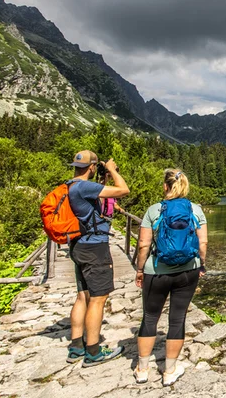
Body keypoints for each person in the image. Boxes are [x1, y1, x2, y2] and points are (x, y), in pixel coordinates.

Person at [134, 169, 208, 385]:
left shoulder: (154, 210)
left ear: (165, 186)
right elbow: (202, 243)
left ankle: (142, 369)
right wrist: (201, 264)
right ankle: (169, 371)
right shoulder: (195, 210)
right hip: (188, 270)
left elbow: (143, 245)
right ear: (185, 187)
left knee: (149, 317)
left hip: (156, 271)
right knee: (177, 319)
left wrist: (140, 270)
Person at [65, 150, 130, 367]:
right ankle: (93, 351)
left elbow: (101, 203)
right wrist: (112, 170)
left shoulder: (71, 185)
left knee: (82, 296)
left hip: (78, 245)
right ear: (92, 167)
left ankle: (76, 347)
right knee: (98, 298)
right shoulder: (84, 186)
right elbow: (123, 190)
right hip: (94, 248)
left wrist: (104, 178)